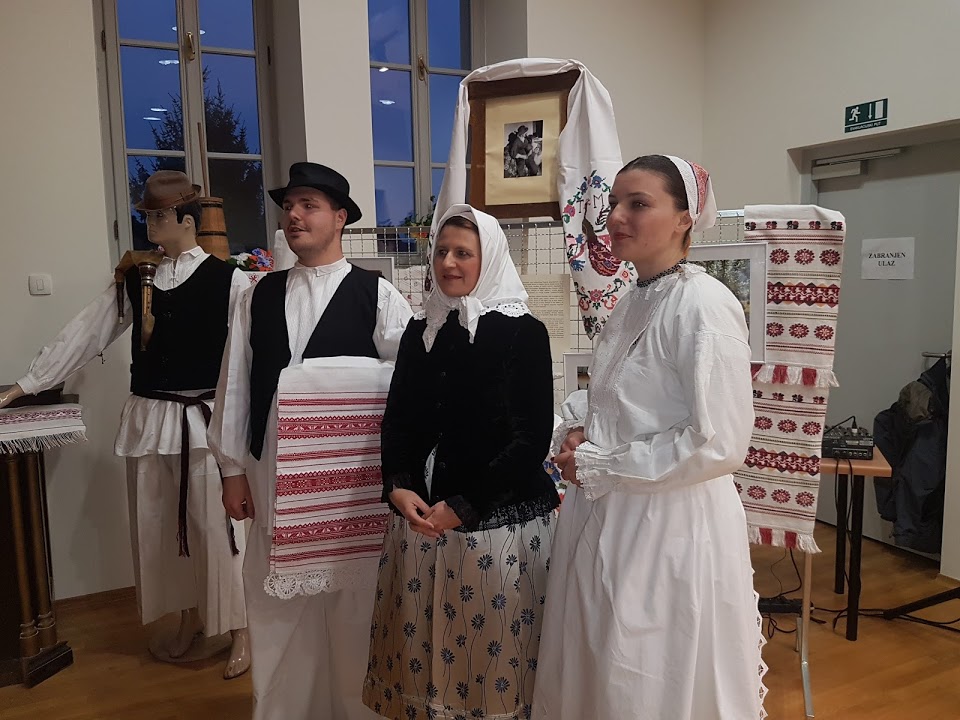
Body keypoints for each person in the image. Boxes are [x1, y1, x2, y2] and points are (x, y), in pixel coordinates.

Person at [534, 155, 767, 720]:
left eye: (638, 204)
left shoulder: (703, 305)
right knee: (600, 658)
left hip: (667, 522)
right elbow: (619, 399)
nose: (616, 217)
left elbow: (719, 441)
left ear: (685, 218)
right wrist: (579, 431)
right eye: (614, 203)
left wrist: (601, 464)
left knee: (642, 669)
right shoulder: (635, 298)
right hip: (611, 512)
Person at [0, 170, 251, 678]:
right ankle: (189, 617)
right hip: (150, 419)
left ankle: (240, 628)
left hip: (204, 422)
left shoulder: (232, 280)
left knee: (213, 530)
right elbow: (86, 333)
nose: (151, 224)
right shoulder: (137, 279)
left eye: (159, 215)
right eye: (148, 216)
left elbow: (246, 356)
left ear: (186, 220)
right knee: (161, 529)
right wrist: (27, 384)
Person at [208, 162, 412, 720]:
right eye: (289, 206)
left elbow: (409, 382)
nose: (294, 216)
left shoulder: (377, 294)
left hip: (349, 483)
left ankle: (358, 709)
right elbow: (235, 384)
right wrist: (231, 471)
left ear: (340, 218)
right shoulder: (258, 295)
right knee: (275, 601)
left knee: (355, 603)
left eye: (309, 205)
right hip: (270, 471)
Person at [363, 204, 559, 720]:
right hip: (422, 519)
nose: (449, 263)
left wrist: (466, 504)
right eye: (442, 251)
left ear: (488, 258)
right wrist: (398, 483)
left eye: (463, 253)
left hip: (495, 524)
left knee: (488, 660)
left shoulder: (523, 333)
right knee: (425, 652)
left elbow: (530, 440)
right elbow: (399, 419)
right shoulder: (420, 330)